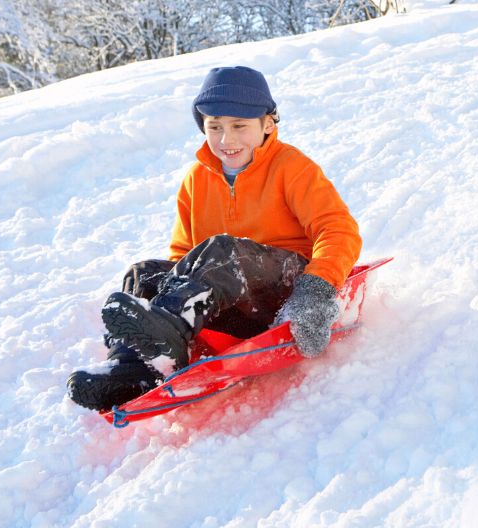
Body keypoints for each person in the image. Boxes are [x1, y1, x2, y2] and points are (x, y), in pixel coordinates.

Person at [66, 65, 363, 412]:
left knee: (223, 249)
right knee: (144, 272)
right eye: (215, 127)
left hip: (285, 290)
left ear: (267, 123)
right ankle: (133, 366)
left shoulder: (292, 168)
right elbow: (182, 254)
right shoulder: (196, 180)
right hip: (227, 303)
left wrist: (315, 290)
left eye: (240, 126)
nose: (226, 139)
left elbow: (338, 229)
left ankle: (169, 335)